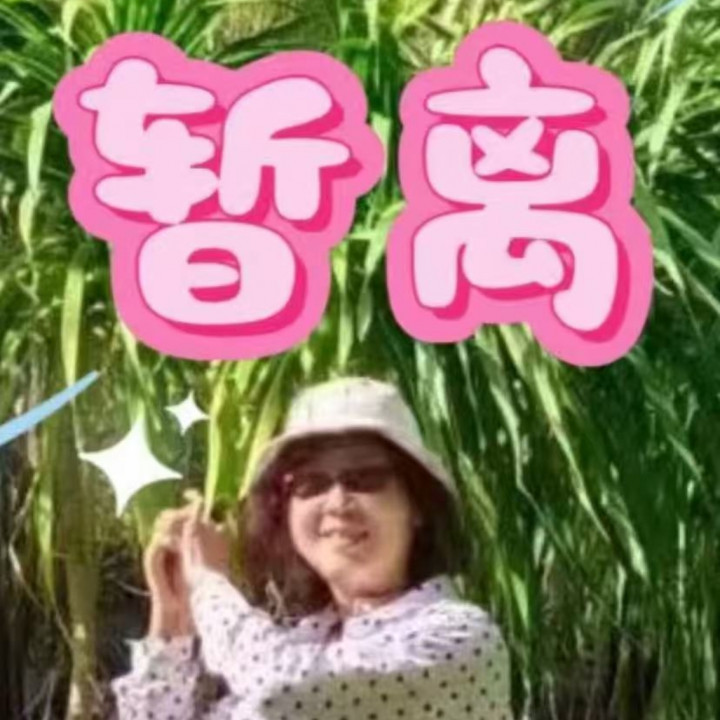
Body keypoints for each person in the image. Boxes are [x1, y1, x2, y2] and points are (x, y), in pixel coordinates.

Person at [113, 377, 514, 719]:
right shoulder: (303, 641)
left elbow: (279, 689)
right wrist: (174, 619)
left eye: (365, 479)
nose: (337, 502)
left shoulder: (458, 638)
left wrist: (208, 583)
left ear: (418, 506)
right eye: (310, 484)